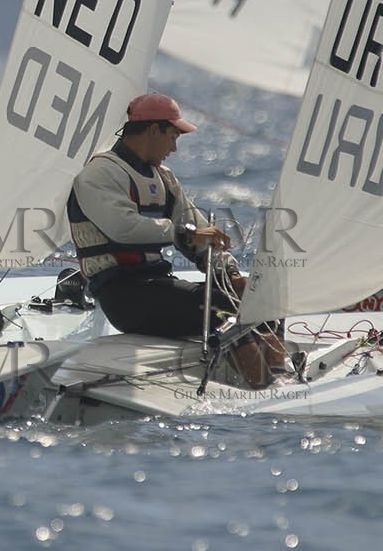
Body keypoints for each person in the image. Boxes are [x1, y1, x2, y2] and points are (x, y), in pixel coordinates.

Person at [67, 93, 293, 389]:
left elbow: (197, 229)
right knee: (225, 309)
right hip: (123, 296)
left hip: (158, 287)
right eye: (172, 136)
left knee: (254, 293)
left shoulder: (164, 179)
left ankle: (283, 374)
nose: (174, 148)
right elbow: (123, 229)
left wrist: (228, 271)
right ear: (152, 130)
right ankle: (268, 390)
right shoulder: (99, 175)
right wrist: (181, 233)